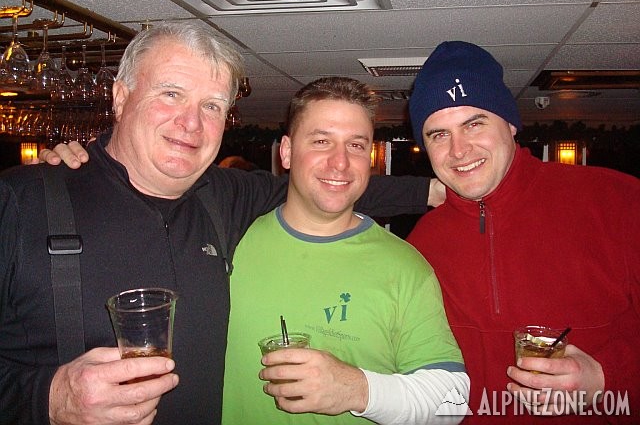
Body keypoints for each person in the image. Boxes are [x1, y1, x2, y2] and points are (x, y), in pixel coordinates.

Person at [0, 22, 439, 425]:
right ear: (120, 96)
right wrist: (50, 398)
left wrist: (449, 191)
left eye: (211, 105)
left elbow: (329, 183)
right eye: (171, 94)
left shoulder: (224, 196)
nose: (191, 123)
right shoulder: (22, 202)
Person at [405, 40, 640, 423]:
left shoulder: (617, 201)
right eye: (438, 134)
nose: (459, 150)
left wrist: (605, 376)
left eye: (474, 123)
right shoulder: (423, 242)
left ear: (511, 123)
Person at [221, 76, 469, 425]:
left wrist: (357, 390)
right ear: (288, 152)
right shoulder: (231, 242)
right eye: (322, 141)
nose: (340, 163)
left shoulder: (405, 266)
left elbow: (453, 401)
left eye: (355, 145)